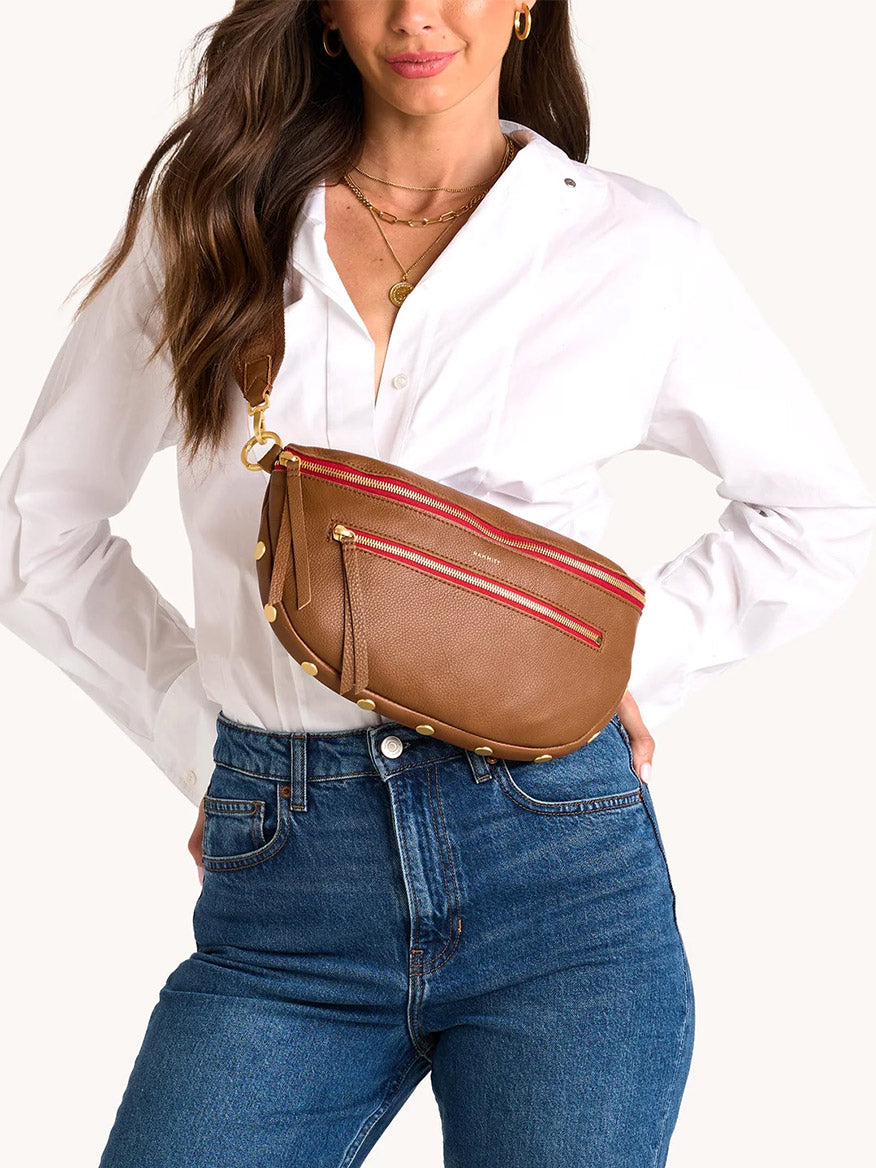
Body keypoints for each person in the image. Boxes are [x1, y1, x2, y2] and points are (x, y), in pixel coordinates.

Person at [1, 2, 873, 1166]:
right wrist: (191, 734)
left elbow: (818, 513)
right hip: (286, 899)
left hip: (559, 879)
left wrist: (606, 667)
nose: (419, 12)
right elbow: (38, 525)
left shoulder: (631, 247)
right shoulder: (212, 227)